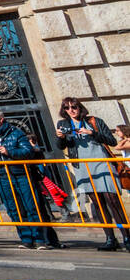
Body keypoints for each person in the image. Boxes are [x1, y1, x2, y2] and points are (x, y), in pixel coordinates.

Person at [55, 97, 130, 252]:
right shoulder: (63, 124)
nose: (71, 110)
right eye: (67, 108)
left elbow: (111, 141)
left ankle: (127, 237)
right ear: (64, 111)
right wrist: (60, 138)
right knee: (98, 203)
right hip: (82, 166)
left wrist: (93, 133)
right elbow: (61, 146)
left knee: (113, 200)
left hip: (102, 164)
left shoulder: (94, 121)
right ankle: (110, 238)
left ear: (79, 107)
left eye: (74, 106)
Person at [0, 109, 46, 249]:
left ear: (1, 119)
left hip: (21, 174)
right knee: (13, 208)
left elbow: (28, 151)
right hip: (1, 176)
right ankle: (25, 238)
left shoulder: (15, 132)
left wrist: (8, 152)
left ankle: (39, 238)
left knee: (31, 205)